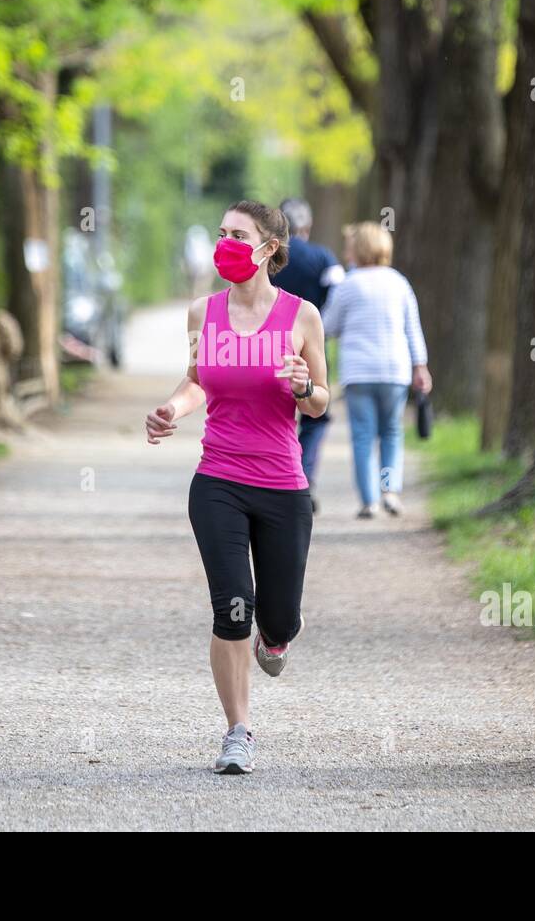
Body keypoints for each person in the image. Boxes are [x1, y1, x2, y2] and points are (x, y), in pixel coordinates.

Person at [145, 199, 329, 775]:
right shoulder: (205, 311)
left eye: (237, 234)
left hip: (282, 484)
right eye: (221, 232)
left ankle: (275, 640)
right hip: (218, 481)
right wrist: (172, 408)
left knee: (281, 617)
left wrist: (303, 387)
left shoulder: (302, 317)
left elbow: (322, 403)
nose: (225, 241)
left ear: (268, 248)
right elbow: (199, 380)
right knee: (232, 608)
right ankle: (237, 733)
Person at [321, 221, 432, 518]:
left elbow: (328, 326)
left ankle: (369, 500)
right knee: (391, 432)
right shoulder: (399, 283)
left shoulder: (348, 284)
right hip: (395, 370)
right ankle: (390, 491)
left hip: (359, 373)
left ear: (358, 250)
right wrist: (420, 366)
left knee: (363, 436)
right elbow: (413, 329)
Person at [272, 197, 344, 512]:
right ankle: (302, 477)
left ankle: (273, 479)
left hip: (271, 343)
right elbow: (338, 296)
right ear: (308, 226)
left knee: (273, 413)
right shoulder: (323, 258)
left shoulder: (269, 257)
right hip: (313, 345)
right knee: (314, 414)